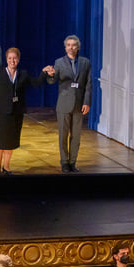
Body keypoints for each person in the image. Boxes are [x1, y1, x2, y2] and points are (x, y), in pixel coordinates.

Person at [0, 47, 47, 174]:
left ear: (18, 59)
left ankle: (6, 166)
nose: (12, 61)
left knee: (10, 141)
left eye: (15, 58)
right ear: (6, 59)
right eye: (10, 58)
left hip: (15, 113)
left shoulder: (23, 74)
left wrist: (44, 73)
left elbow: (36, 82)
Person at [44, 34, 92, 173]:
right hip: (64, 104)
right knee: (63, 135)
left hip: (79, 104)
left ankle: (73, 162)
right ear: (65, 48)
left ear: (78, 47)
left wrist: (87, 102)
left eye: (73, 45)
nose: (71, 48)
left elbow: (89, 84)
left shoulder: (85, 62)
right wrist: (50, 75)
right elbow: (52, 80)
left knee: (76, 136)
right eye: (68, 45)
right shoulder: (59, 62)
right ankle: (64, 162)